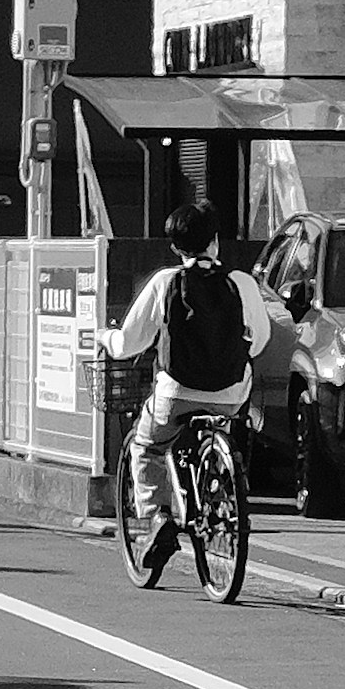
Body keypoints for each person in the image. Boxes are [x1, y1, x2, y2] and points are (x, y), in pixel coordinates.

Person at [108, 198, 288, 583]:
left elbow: (129, 344)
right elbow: (259, 340)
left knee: (147, 445)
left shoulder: (165, 282)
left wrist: (106, 338)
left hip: (175, 392)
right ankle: (218, 487)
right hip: (231, 392)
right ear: (216, 242)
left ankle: (158, 517)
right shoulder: (241, 283)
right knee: (222, 426)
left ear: (175, 247)